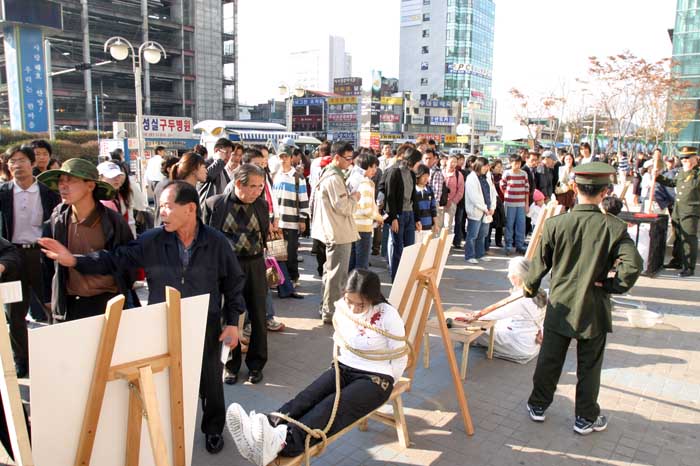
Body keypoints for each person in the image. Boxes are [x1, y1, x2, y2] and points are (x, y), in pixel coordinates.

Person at [39, 180, 245, 454]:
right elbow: (114, 259)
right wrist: (75, 260)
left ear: (190, 208)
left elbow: (233, 283)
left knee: (210, 381)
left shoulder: (216, 242)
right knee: (165, 381)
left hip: (205, 322)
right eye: (160, 207)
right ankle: (166, 431)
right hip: (162, 321)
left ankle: (213, 429)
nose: (161, 213)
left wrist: (232, 323)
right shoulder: (153, 240)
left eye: (167, 207)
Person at [226, 269, 408, 465]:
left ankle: (284, 441)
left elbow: (399, 356)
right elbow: (340, 338)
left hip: (376, 377)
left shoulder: (388, 315)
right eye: (350, 302)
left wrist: (388, 383)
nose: (354, 308)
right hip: (344, 366)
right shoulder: (342, 307)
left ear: (372, 298)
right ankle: (266, 426)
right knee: (308, 397)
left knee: (331, 406)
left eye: (361, 304)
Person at [523, 162, 642, 436]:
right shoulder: (614, 227)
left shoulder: (556, 224)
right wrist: (612, 285)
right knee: (589, 366)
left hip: (560, 305)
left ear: (575, 189)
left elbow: (538, 266)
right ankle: (585, 418)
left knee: (550, 358)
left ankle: (538, 405)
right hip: (594, 306)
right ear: (604, 192)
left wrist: (529, 290)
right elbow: (634, 265)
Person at [37, 158, 135, 321]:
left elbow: (127, 261)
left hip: (107, 302)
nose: (63, 186)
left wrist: (75, 261)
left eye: (70, 180)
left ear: (90, 186)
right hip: (70, 305)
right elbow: (47, 265)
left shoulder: (112, 221)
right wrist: (50, 298)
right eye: (61, 181)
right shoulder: (57, 219)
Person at [203, 164, 271, 385]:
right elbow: (204, 238)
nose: (257, 191)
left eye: (260, 186)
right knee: (228, 316)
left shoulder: (261, 205)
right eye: (253, 186)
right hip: (227, 268)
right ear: (239, 183)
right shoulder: (215, 204)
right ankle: (230, 365)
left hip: (255, 264)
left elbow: (264, 235)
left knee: (258, 315)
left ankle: (256, 365)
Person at [0, 146, 61, 377]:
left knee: (51, 305)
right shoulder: (3, 192)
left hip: (41, 254)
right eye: (12, 161)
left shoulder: (47, 192)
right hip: (13, 256)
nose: (17, 165)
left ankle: (56, 356)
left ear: (32, 163)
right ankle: (21, 361)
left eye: (22, 160)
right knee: (15, 313)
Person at [311, 142, 360, 323]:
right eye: (347, 158)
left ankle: (327, 307)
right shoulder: (334, 177)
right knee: (336, 276)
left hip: (333, 230)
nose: (350, 162)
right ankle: (331, 312)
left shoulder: (331, 173)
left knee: (331, 273)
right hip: (337, 232)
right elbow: (344, 206)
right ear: (337, 157)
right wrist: (354, 198)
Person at [464, 257, 546, 363]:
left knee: (475, 329)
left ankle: (475, 341)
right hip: (532, 343)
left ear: (518, 277)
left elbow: (496, 312)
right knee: (498, 323)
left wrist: (474, 315)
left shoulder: (521, 298)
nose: (508, 276)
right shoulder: (541, 291)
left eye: (510, 273)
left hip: (520, 346)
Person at [656, 146, 700, 277]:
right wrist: (658, 177)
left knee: (689, 238)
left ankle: (689, 267)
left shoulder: (697, 174)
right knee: (678, 237)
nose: (684, 160)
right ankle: (677, 261)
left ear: (695, 158)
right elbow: (673, 183)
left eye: (687, 158)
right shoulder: (682, 171)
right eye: (682, 158)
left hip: (691, 210)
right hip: (678, 209)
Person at [272, 146, 309, 291]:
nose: (283, 160)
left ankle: (293, 278)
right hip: (278, 221)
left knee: (291, 253)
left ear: (291, 158)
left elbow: (303, 199)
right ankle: (281, 281)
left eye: (285, 157)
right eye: (281, 157)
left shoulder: (298, 177)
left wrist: (302, 219)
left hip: (292, 221)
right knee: (278, 253)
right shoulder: (276, 175)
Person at [382, 148, 422, 280]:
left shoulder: (412, 174)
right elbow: (390, 197)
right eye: (418, 161)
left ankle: (406, 279)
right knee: (397, 248)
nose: (419, 164)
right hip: (398, 215)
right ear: (412, 161)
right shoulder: (395, 171)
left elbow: (413, 197)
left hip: (410, 214)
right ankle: (396, 279)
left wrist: (417, 218)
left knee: (409, 248)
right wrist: (393, 218)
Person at [350, 153, 382, 271]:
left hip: (353, 225)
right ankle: (359, 283)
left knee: (352, 261)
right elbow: (366, 209)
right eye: (373, 167)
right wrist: (378, 217)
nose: (375, 170)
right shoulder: (366, 183)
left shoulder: (354, 179)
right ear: (366, 167)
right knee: (362, 264)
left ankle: (350, 282)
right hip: (363, 228)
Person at [464, 157, 496, 264]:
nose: (487, 168)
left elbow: (492, 193)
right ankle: (470, 255)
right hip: (477, 210)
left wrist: (492, 207)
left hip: (487, 210)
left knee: (482, 235)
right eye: (484, 166)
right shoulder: (471, 178)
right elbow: (474, 197)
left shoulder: (487, 177)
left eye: (487, 166)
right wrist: (485, 208)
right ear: (479, 166)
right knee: (472, 235)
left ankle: (480, 254)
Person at [500, 153, 530, 255]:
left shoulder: (524, 174)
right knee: (509, 225)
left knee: (521, 225)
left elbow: (527, 189)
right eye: (515, 163)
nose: (517, 165)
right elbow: (502, 186)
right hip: (509, 204)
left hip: (521, 204)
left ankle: (519, 245)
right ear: (510, 163)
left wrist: (526, 204)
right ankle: (508, 246)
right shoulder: (507, 173)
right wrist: (507, 195)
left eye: (519, 163)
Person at [199, 138, 235, 203]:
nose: (229, 156)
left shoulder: (222, 167)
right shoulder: (205, 164)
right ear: (216, 151)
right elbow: (207, 176)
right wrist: (220, 161)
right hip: (207, 205)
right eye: (226, 152)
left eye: (230, 153)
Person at [422, 148, 445, 229]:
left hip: (432, 205)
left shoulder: (437, 172)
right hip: (421, 205)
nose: (428, 160)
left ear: (434, 158)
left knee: (433, 230)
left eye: (430, 158)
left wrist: (431, 208)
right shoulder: (420, 170)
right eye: (426, 158)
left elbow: (437, 194)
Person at [414, 164, 438, 237]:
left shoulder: (429, 190)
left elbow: (433, 208)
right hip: (416, 227)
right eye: (424, 176)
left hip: (428, 226)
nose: (426, 178)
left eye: (427, 176)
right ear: (418, 176)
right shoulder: (413, 190)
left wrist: (436, 224)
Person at [487, 159, 506, 249]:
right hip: (492, 202)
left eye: (500, 167)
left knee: (500, 223)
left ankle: (498, 241)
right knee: (490, 222)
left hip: (501, 202)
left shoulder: (502, 177)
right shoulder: (489, 177)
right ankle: (488, 240)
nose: (499, 169)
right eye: (498, 167)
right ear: (492, 167)